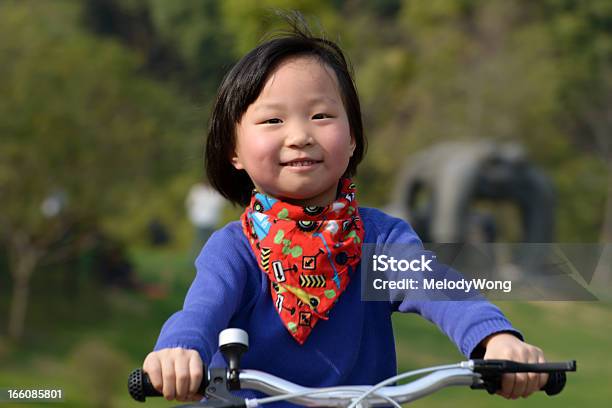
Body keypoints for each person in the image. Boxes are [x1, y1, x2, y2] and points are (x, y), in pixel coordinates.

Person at [143, 18, 548, 405]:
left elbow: (439, 287)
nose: (300, 136)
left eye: (321, 116)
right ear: (233, 150)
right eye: (272, 120)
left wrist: (494, 338)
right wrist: (177, 351)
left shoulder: (381, 240)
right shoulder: (234, 249)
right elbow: (201, 310)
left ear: (352, 137)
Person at [185, 181, 225, 250]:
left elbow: (221, 203)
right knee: (199, 242)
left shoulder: (214, 192)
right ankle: (194, 259)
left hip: (211, 221)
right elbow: (189, 203)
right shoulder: (197, 190)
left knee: (211, 241)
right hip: (200, 221)